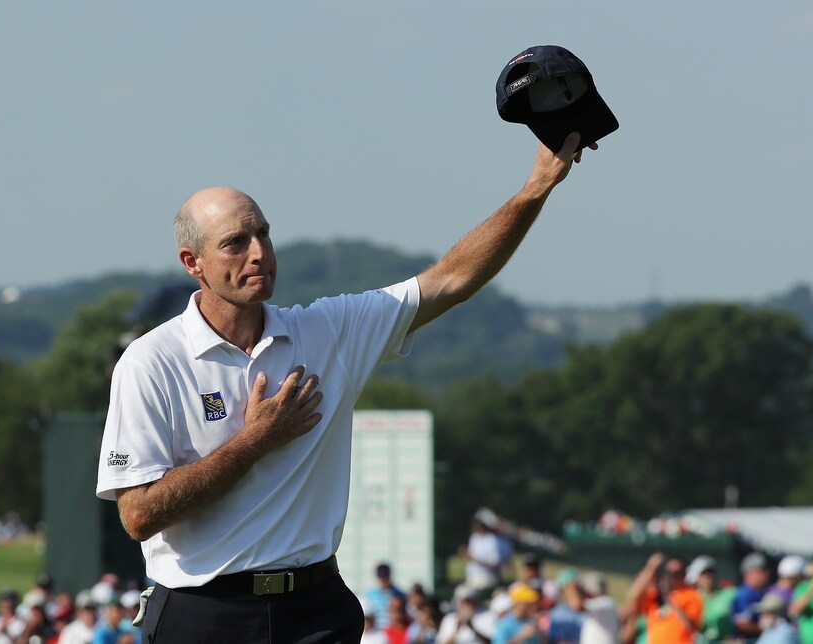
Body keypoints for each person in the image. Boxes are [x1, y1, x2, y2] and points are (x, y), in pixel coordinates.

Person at [95, 130, 597, 644]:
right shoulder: (150, 361)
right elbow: (137, 515)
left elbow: (450, 280)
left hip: (316, 612)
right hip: (203, 614)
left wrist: (536, 188)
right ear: (191, 262)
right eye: (234, 243)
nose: (258, 253)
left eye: (264, 234)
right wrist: (253, 443)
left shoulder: (326, 330)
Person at [626, 554, 702, 644]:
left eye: (677, 573)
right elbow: (633, 596)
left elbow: (690, 626)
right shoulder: (656, 596)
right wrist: (650, 569)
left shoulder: (691, 595)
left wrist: (669, 599)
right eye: (669, 572)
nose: (672, 577)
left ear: (684, 574)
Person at [685, 555, 735, 644]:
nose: (709, 576)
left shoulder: (729, 593)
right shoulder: (692, 597)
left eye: (711, 572)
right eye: (704, 573)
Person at [731, 552, 770, 641]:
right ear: (749, 572)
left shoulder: (761, 593)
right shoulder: (744, 594)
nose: (766, 573)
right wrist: (769, 631)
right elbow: (742, 624)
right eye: (761, 570)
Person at [366, 564, 406, 631]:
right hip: (376, 632)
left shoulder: (399, 594)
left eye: (385, 576)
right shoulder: (370, 595)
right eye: (380, 576)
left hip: (394, 631)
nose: (383, 579)